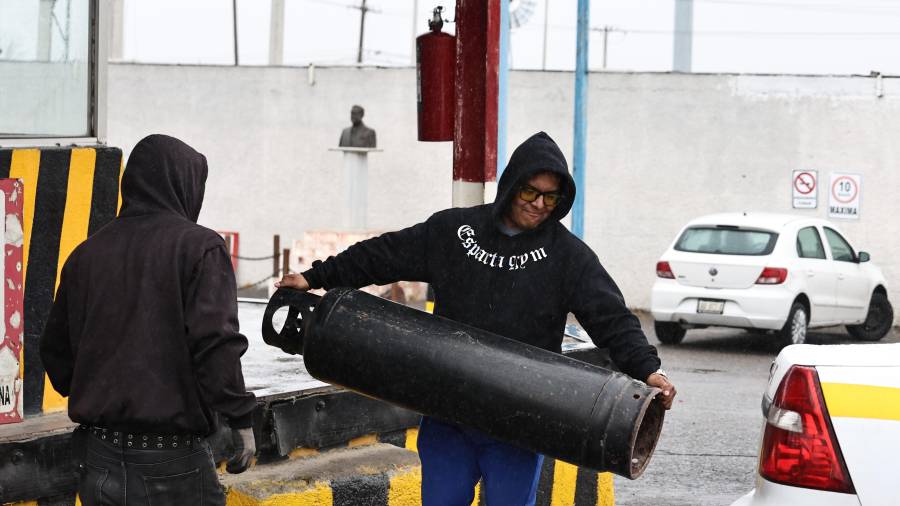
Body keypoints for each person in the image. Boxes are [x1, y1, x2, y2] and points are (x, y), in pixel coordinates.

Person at [276, 131, 676, 506]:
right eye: (530, 192)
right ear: (510, 185)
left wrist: (648, 370)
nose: (539, 205)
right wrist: (314, 277)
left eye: (550, 198)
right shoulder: (454, 231)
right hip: (448, 412)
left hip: (520, 419)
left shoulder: (568, 257)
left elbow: (611, 319)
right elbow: (381, 255)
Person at [40, 134, 257, 506]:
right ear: (184, 185)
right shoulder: (200, 248)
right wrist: (241, 418)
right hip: (174, 466)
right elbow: (215, 344)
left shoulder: (86, 255)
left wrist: (103, 393)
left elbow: (54, 352)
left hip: (100, 460)